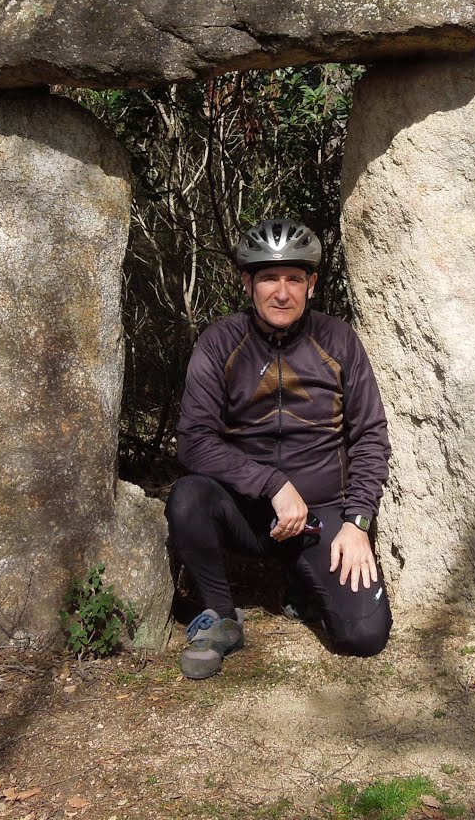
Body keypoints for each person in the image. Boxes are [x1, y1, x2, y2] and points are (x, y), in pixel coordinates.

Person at [166, 216, 392, 679]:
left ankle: (302, 582)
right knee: (188, 497)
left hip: (321, 514)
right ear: (247, 281)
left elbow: (370, 435)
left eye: (294, 278)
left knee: (364, 637)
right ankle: (220, 617)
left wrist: (358, 522)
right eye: (269, 277)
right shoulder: (219, 342)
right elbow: (193, 440)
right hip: (246, 513)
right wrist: (271, 483)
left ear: (312, 283)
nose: (282, 292)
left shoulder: (339, 341)